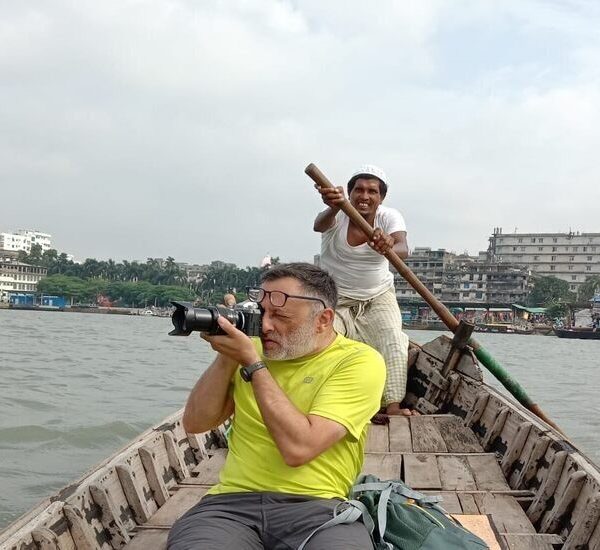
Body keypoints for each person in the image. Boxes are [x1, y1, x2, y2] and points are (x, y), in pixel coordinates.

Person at [168, 262, 385, 550]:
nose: (266, 326)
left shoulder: (358, 361)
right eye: (263, 313)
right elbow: (196, 422)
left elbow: (299, 449)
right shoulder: (250, 349)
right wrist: (227, 356)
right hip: (230, 506)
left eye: (281, 316)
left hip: (318, 508)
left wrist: (253, 365)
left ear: (323, 320)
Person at [313, 164, 411, 416]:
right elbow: (319, 225)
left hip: (377, 296)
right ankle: (322, 400)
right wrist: (334, 206)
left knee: (393, 338)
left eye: (372, 191)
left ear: (381, 198)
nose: (364, 196)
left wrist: (388, 244)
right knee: (322, 341)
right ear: (350, 192)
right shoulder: (338, 214)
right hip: (336, 299)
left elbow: (403, 249)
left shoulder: (388, 217)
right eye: (359, 190)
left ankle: (392, 406)